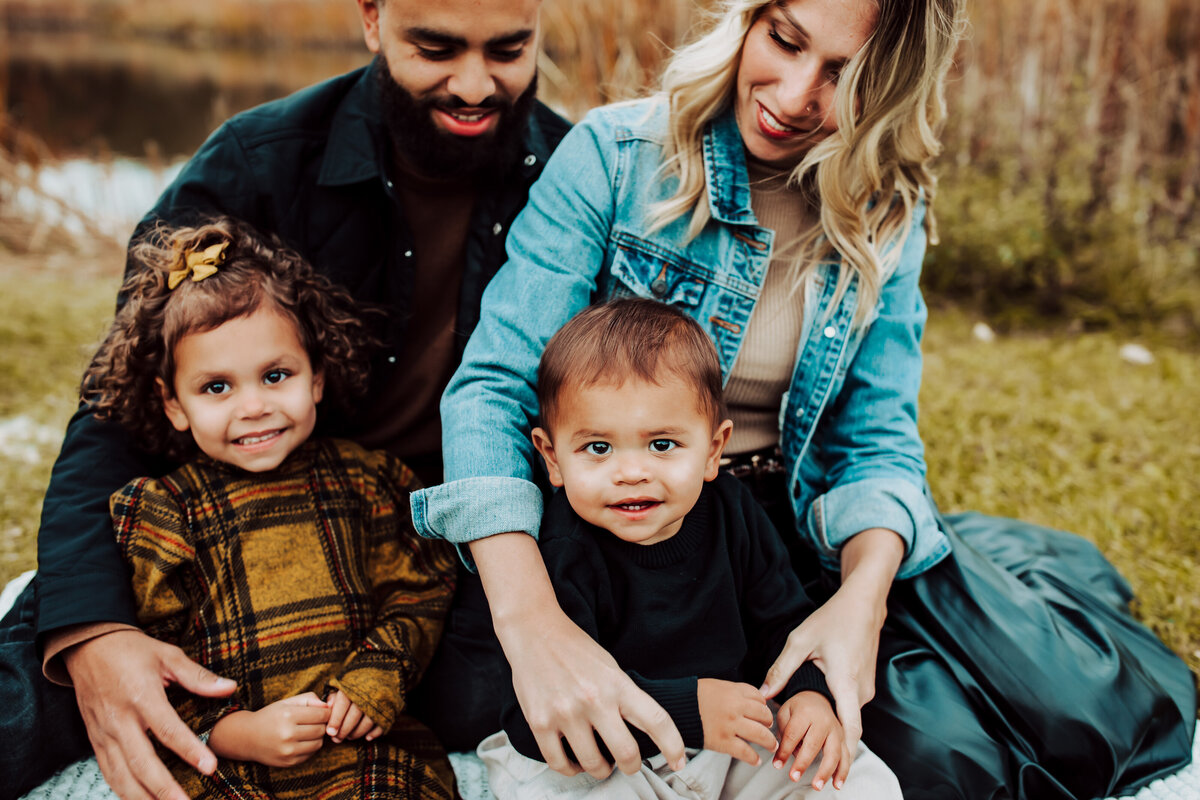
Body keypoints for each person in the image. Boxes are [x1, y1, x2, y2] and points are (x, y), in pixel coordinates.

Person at [411, 0, 1198, 798]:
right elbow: (493, 389)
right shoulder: (614, 156)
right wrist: (534, 626)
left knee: (999, 742)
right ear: (748, 21)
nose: (792, 96)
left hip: (786, 536)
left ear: (892, 86)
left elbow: (876, 437)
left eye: (843, 74)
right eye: (784, 41)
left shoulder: (891, 207)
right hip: (622, 535)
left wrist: (862, 602)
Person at [0, 1, 593, 799]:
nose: (475, 85)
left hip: (428, 551)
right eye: (437, 47)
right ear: (373, 19)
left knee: (481, 700)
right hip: (228, 529)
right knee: (30, 705)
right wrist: (93, 631)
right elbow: (110, 409)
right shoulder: (257, 161)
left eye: (510, 49)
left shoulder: (574, 178)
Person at [83, 217, 458, 799]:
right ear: (174, 405)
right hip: (230, 763)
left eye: (276, 375)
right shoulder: (163, 513)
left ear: (316, 378)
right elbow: (156, 658)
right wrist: (234, 733)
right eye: (217, 387)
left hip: (361, 751)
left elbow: (420, 588)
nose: (254, 406)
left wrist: (376, 678)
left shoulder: (366, 480)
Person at [478, 299, 904, 800]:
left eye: (661, 444)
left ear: (714, 449)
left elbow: (781, 621)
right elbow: (537, 716)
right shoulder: (557, 549)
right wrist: (691, 711)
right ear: (551, 458)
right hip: (600, 757)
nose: (631, 471)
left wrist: (808, 693)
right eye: (598, 448)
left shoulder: (731, 510)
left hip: (728, 737)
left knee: (856, 780)